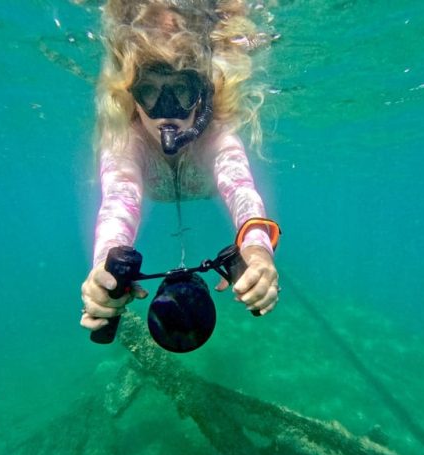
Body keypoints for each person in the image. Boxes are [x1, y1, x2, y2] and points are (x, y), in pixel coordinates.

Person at [80, 0, 280, 332]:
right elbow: (117, 203)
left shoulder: (215, 136)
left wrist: (258, 253)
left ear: (202, 96)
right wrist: (102, 268)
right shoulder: (127, 142)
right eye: (149, 92)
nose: (166, 112)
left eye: (182, 90)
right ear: (132, 97)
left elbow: (243, 190)